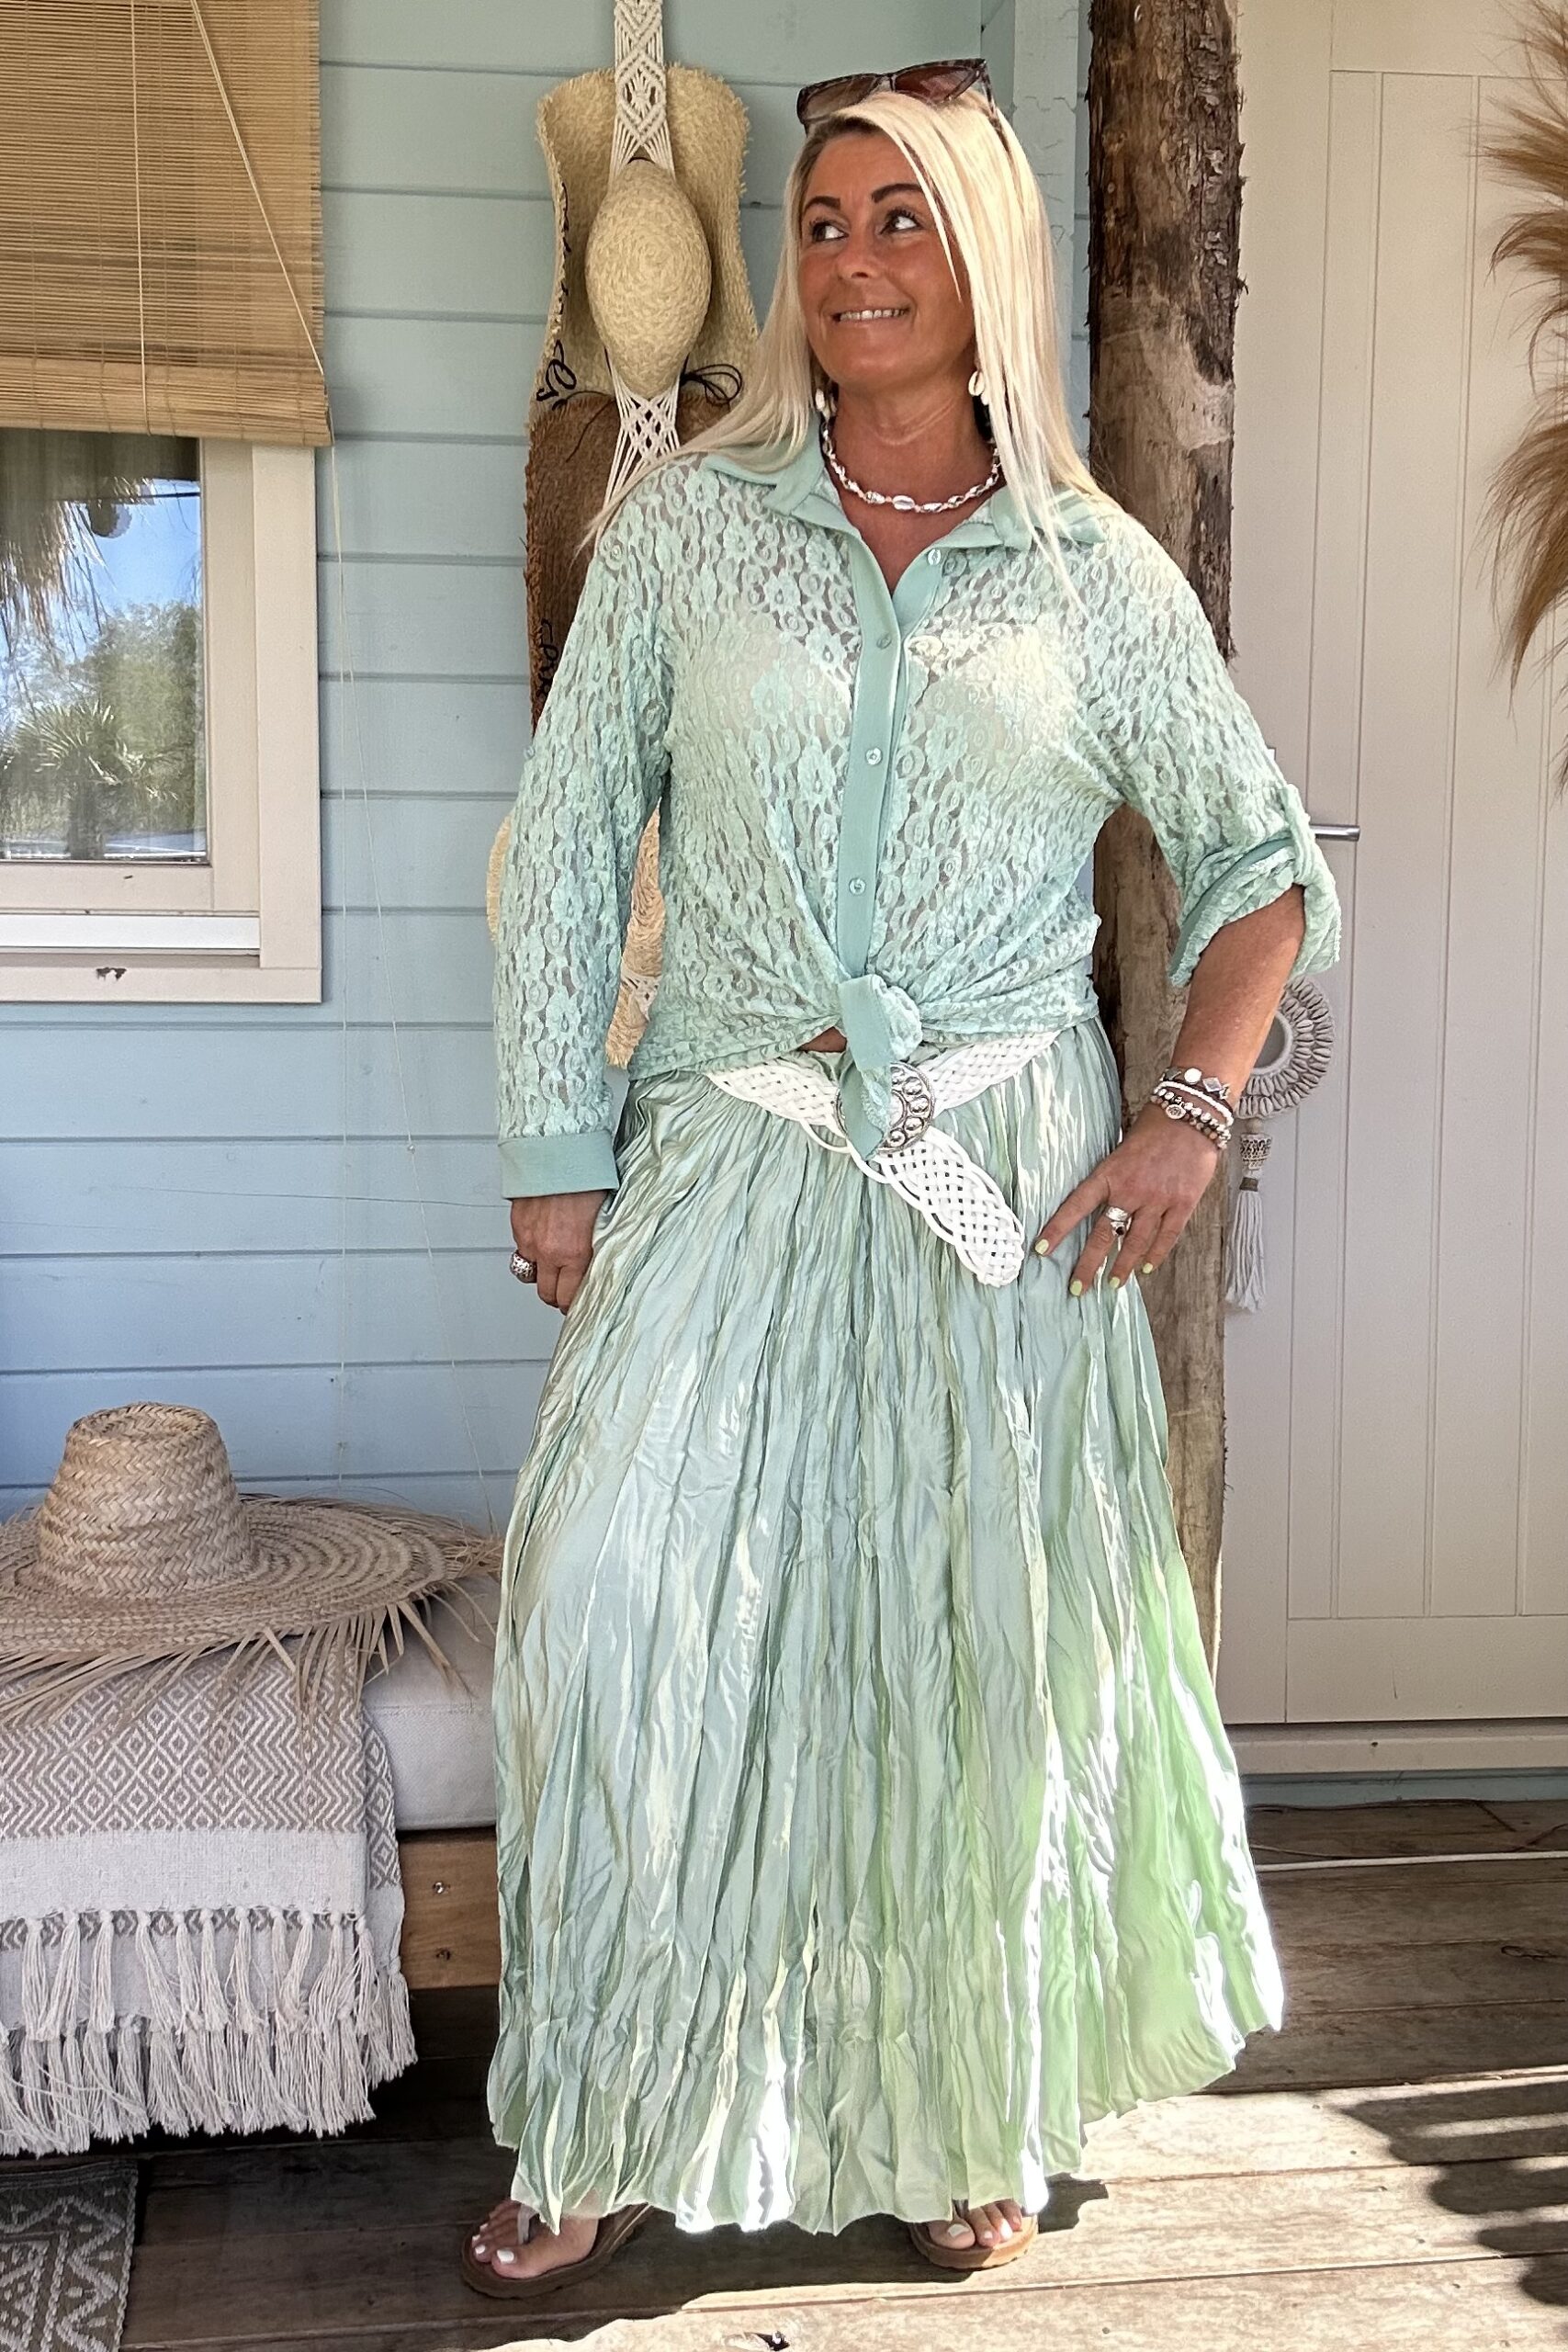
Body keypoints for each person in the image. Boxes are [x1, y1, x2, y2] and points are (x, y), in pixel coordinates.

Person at [466, 59, 1340, 2301]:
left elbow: (1255, 869)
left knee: (969, 1656)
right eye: (825, 221)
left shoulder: (1087, 569)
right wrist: (556, 1147)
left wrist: (1189, 1109)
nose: (850, 258)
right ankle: (607, 2100)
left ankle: (964, 2094)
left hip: (1000, 1187)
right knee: (619, 1604)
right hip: (730, 1146)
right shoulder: (686, 528)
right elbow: (565, 840)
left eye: (901, 218)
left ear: (987, 259)